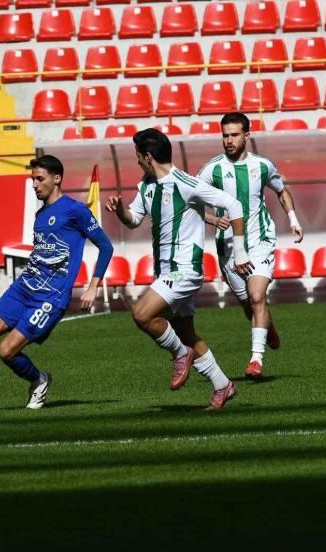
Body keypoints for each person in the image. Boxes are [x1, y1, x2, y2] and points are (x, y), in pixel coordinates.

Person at [0, 155, 114, 413]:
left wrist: (93, 287)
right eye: (32, 179)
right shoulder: (40, 215)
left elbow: (106, 247)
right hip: (23, 288)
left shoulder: (76, 211)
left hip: (50, 298)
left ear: (57, 178)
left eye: (40, 179)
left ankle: (39, 380)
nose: (35, 185)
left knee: (6, 351)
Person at [106, 128, 252, 410]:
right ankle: (223, 385)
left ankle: (179, 354)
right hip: (165, 272)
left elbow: (233, 205)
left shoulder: (186, 183)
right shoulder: (146, 185)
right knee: (186, 333)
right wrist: (121, 209)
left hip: (184, 270)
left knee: (142, 314)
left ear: (149, 157)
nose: (137, 161)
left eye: (138, 156)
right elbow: (133, 219)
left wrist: (241, 252)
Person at [198, 112, 304, 380]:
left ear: (246, 136)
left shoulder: (263, 165)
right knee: (249, 305)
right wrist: (213, 219)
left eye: (234, 135)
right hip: (228, 247)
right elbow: (190, 201)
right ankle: (267, 326)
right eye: (225, 135)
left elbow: (281, 190)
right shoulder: (212, 169)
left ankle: (256, 360)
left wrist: (293, 219)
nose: (229, 140)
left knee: (256, 296)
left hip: (260, 241)